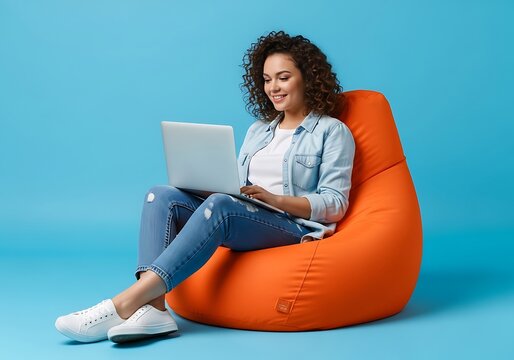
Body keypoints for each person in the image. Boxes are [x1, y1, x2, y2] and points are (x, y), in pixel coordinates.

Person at [55, 30, 355, 344]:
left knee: (221, 207)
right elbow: (238, 185)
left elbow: (335, 202)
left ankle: (122, 304)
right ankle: (156, 309)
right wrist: (215, 186)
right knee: (161, 195)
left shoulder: (332, 132)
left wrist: (276, 199)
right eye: (267, 80)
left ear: (307, 78)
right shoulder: (259, 131)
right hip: (248, 212)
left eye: (283, 77)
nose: (273, 88)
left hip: (292, 226)